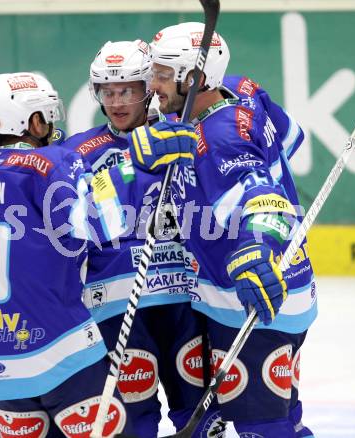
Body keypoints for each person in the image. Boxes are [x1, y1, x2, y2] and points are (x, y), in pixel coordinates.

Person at [0, 71, 196, 437]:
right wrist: (131, 164)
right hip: (58, 347)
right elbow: (102, 224)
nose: (53, 124)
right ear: (34, 121)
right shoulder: (55, 162)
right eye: (47, 115)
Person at [132, 22, 317, 437]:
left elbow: (265, 201)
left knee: (262, 428)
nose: (153, 86)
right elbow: (290, 138)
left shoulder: (218, 138)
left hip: (253, 298)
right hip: (290, 285)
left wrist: (254, 247)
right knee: (284, 420)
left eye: (162, 75)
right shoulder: (242, 89)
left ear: (195, 78)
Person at [53, 40, 225, 437]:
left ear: (149, 87)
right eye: (107, 92)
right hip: (117, 305)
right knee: (131, 421)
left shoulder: (183, 133)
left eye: (127, 89)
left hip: (184, 297)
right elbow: (72, 223)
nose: (116, 101)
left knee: (201, 416)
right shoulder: (78, 151)